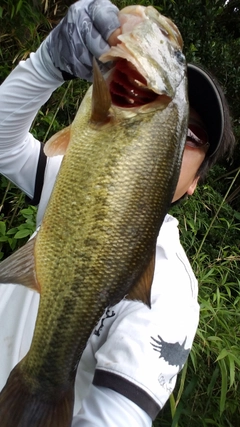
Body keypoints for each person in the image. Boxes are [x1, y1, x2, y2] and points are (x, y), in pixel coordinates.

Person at [0, 0, 235, 425]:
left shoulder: (170, 294)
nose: (179, 138)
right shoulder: (72, 184)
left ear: (197, 181)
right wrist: (46, 65)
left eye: (193, 135)